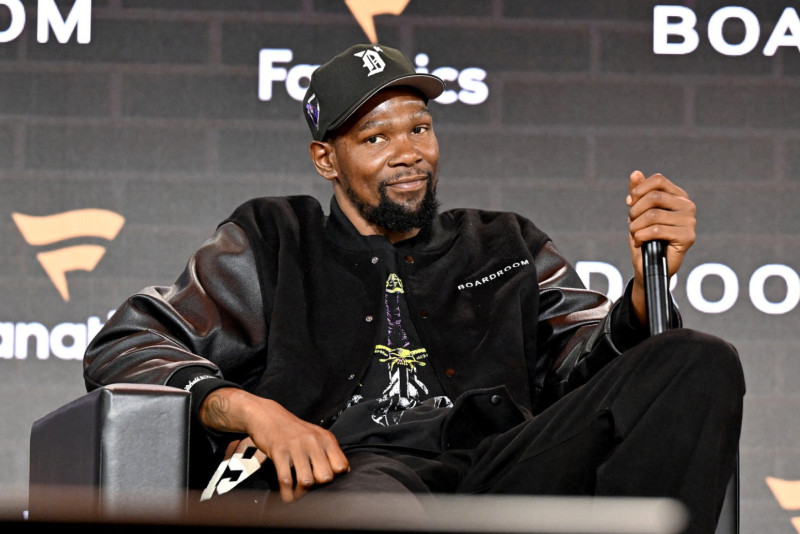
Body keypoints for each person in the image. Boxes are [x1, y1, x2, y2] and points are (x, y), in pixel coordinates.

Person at [83, 43, 744, 533]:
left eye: (419, 128)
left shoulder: (504, 242)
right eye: (375, 137)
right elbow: (128, 342)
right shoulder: (274, 237)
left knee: (699, 359)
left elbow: (580, 368)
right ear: (326, 159)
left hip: (495, 469)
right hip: (345, 472)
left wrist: (643, 291)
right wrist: (258, 414)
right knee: (372, 508)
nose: (409, 153)